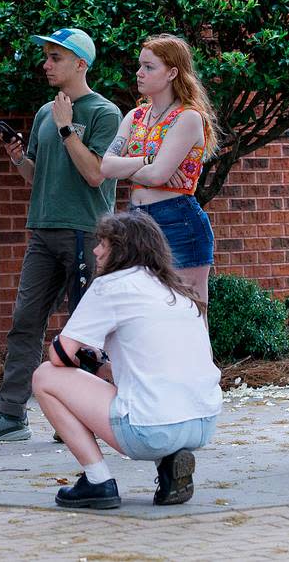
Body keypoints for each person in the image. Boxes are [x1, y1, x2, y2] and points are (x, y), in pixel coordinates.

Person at [0, 27, 120, 443]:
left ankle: (84, 414)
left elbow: (93, 175)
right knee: (24, 322)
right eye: (47, 57)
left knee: (84, 330)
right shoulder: (43, 113)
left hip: (84, 233)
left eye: (55, 58)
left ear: (80, 64)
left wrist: (68, 128)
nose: (46, 64)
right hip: (43, 232)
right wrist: (19, 159)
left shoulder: (104, 113)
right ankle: (11, 415)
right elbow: (37, 178)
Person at [32, 211, 221, 509]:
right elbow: (147, 364)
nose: (95, 250)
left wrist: (79, 359)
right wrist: (97, 366)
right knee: (147, 392)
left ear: (122, 249)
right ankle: (170, 463)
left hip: (151, 431)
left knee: (44, 376)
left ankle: (97, 481)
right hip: (203, 421)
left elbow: (59, 355)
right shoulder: (177, 289)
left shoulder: (112, 285)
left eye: (103, 244)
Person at [98, 34, 216, 303]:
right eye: (140, 66)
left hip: (177, 219)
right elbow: (106, 165)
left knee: (190, 311)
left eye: (149, 67)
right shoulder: (135, 116)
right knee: (141, 307)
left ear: (172, 72)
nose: (139, 73)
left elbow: (158, 176)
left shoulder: (188, 117)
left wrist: (131, 164)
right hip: (136, 220)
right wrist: (149, 160)